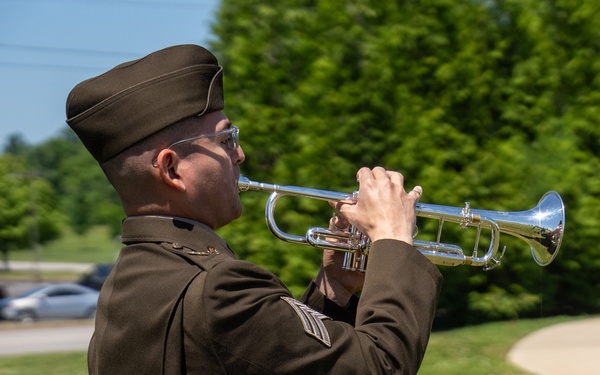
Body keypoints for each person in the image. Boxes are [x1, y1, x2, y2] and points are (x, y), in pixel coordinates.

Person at [66, 44, 443, 375]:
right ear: (172, 169)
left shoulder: (128, 285)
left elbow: (274, 359)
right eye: (225, 140)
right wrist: (393, 239)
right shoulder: (218, 290)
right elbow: (380, 366)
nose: (240, 154)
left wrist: (335, 288)